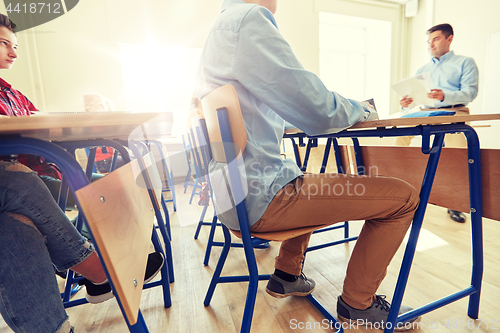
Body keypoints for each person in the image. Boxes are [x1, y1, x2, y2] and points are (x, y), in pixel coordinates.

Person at [195, 0, 421, 329]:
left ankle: (286, 274)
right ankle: (359, 305)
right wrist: (364, 109)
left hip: (233, 199)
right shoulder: (249, 19)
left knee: (305, 178)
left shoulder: (219, 29)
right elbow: (318, 110)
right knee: (404, 198)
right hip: (261, 198)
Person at [0, 14, 163, 333]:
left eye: (16, 45)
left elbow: (36, 124)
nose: (15, 53)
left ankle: (92, 271)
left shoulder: (12, 93)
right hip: (26, 179)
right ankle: (95, 265)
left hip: (36, 176)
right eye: (4, 44)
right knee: (21, 181)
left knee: (17, 223)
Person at [398, 23, 479, 223]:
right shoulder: (423, 69)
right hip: (427, 112)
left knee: (458, 153)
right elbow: (416, 98)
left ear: (449, 39)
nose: (430, 45)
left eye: (435, 39)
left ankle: (456, 204)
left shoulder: (465, 63)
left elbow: (470, 92)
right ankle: (398, 192)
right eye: (428, 41)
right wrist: (406, 104)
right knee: (399, 136)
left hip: (454, 111)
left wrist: (445, 95)